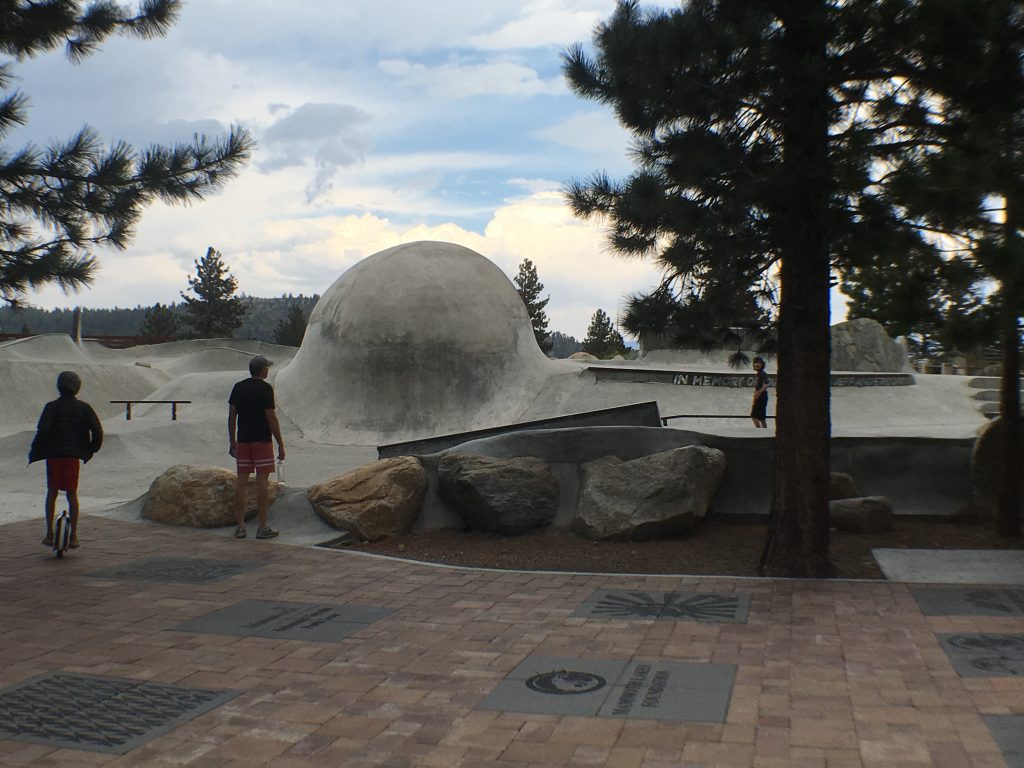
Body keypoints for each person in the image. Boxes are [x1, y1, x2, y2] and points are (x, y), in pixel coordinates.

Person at [28, 371, 103, 548]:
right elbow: (98, 431)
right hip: (72, 457)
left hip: (54, 456)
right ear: (77, 388)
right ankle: (74, 536)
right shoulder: (84, 408)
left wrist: (36, 450)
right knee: (71, 494)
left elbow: (43, 431)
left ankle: (49, 534)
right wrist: (91, 449)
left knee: (52, 492)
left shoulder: (51, 407)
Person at [228, 355, 285, 539]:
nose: (268, 370)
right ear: (262, 370)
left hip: (243, 440)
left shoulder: (238, 387)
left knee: (241, 483)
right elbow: (271, 417)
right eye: (267, 367)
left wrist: (232, 441)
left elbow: (232, 416)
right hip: (261, 440)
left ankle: (240, 526)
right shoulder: (266, 389)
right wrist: (280, 443)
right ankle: (262, 526)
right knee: (262, 484)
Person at [750, 356, 770, 428]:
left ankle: (760, 431)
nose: (757, 365)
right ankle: (762, 431)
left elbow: (766, 384)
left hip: (762, 397)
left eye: (759, 363)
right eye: (755, 363)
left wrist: (758, 393)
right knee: (760, 417)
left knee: (755, 416)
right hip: (760, 396)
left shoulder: (762, 373)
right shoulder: (759, 373)